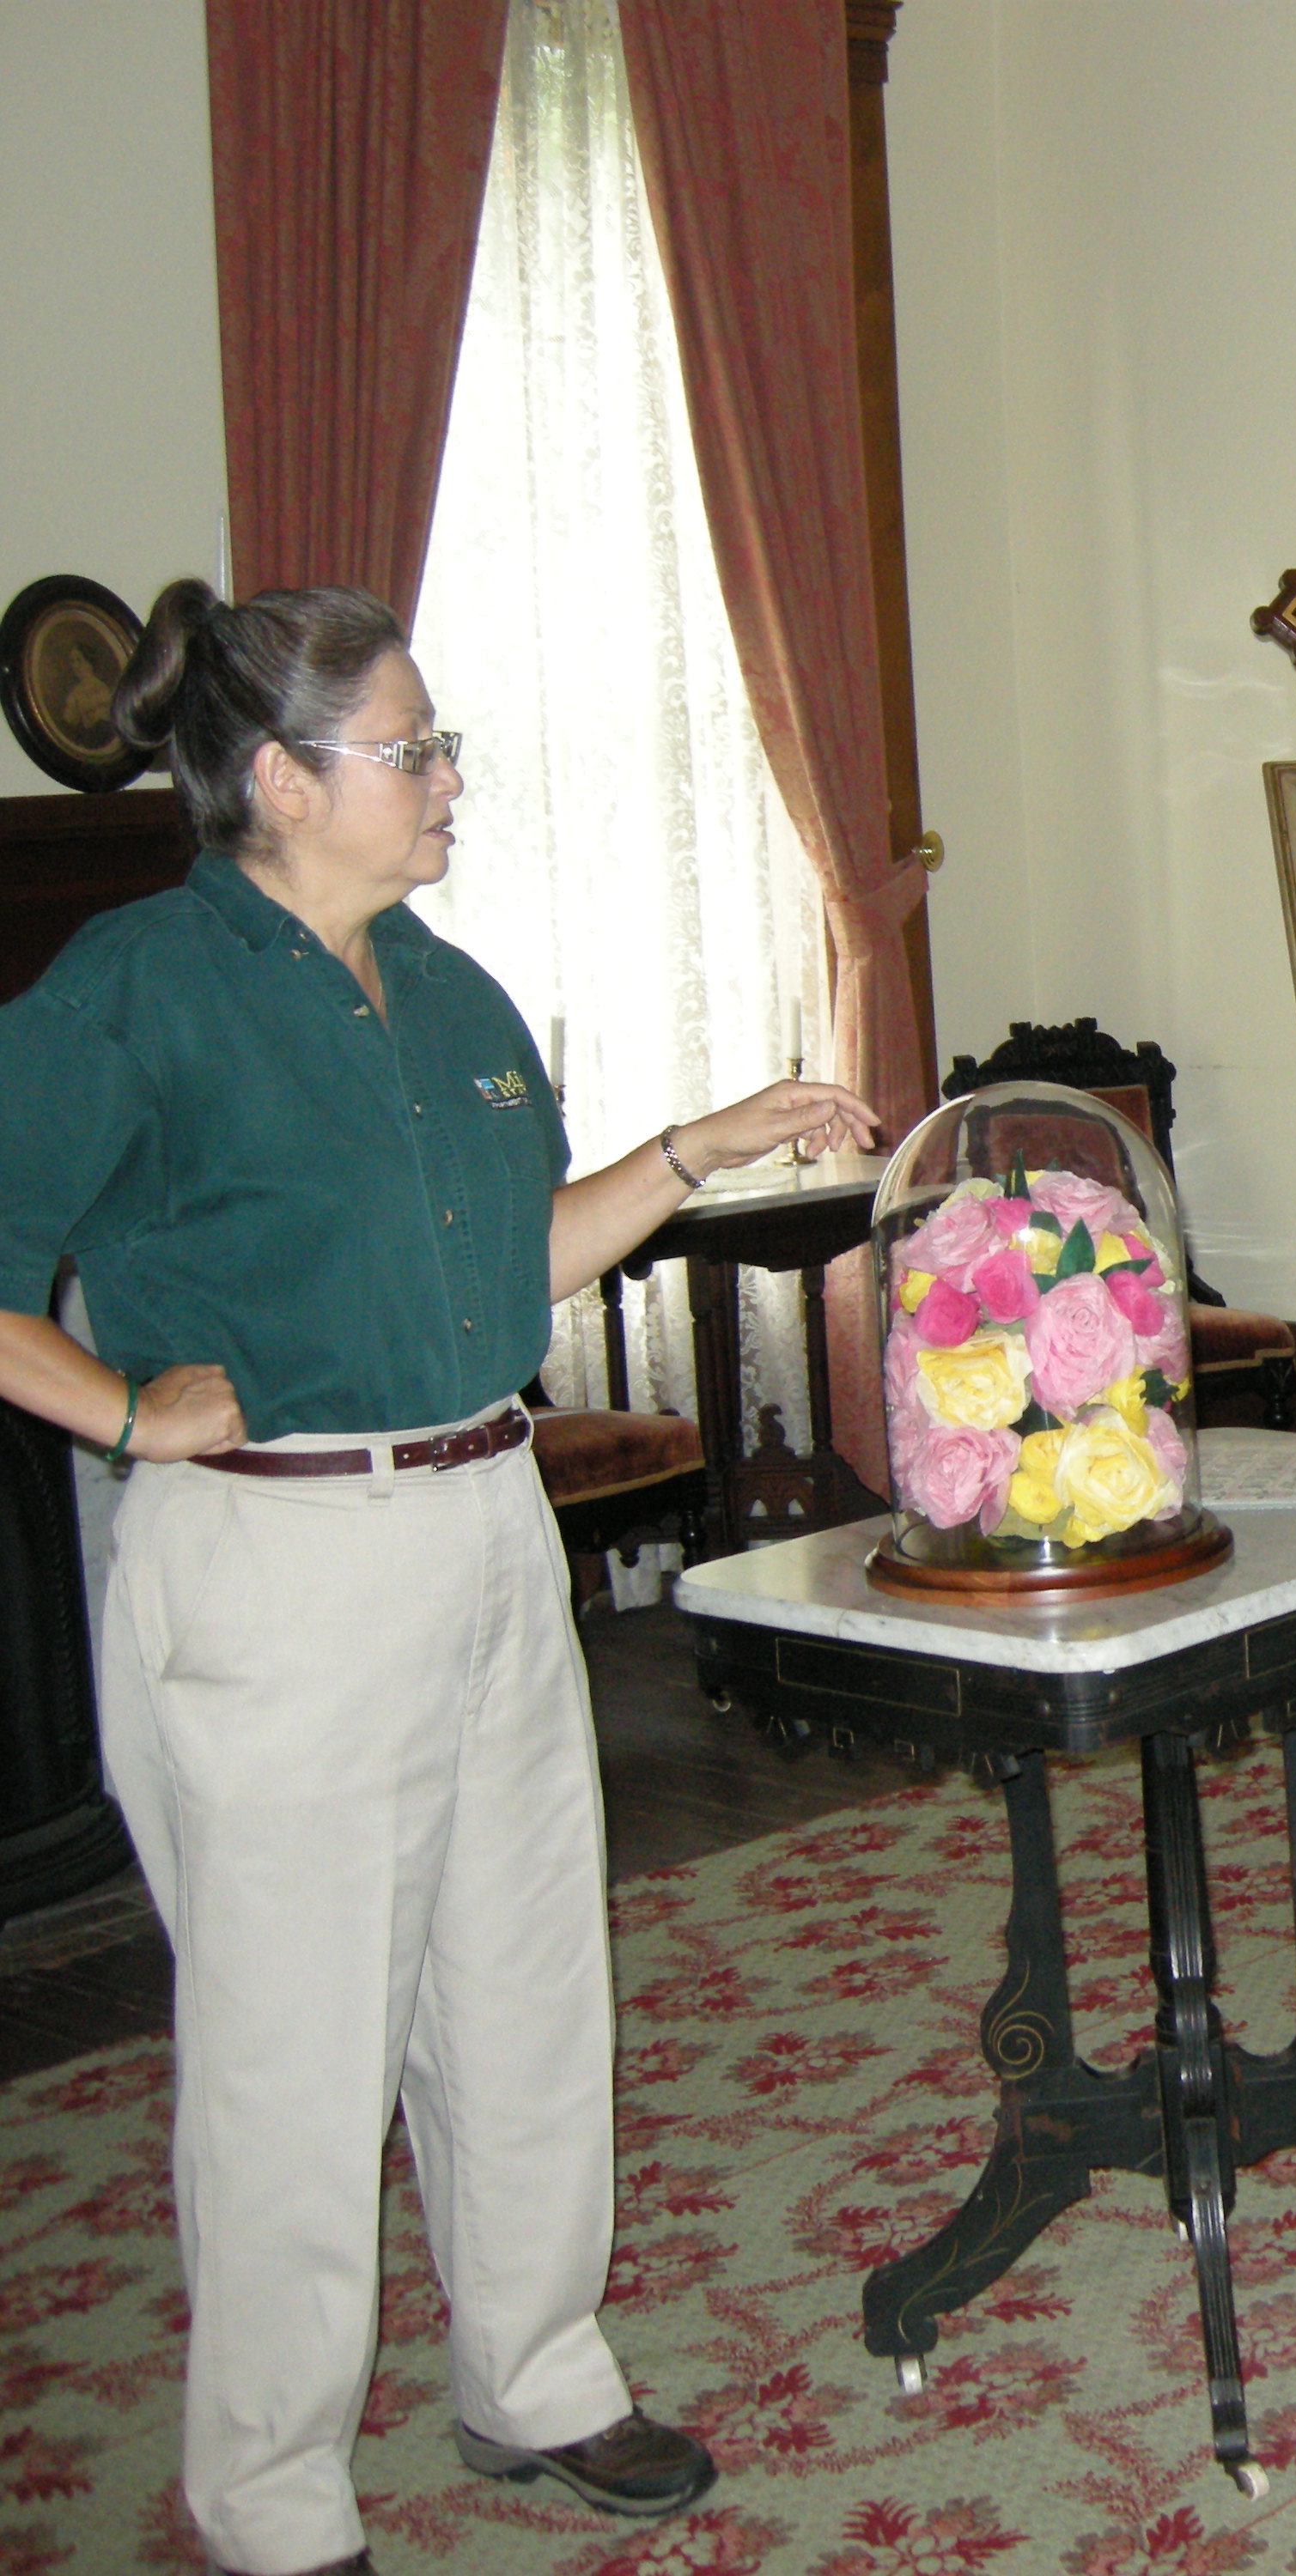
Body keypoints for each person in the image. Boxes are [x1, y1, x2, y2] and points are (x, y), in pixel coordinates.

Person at [0, 580, 878, 2576]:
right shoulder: (133, 990)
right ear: (279, 780)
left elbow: (511, 1268)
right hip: (279, 1557)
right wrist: (122, 1415)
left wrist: (692, 1144)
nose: (448, 776)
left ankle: (539, 2366)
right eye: (415, 747)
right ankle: (276, 2483)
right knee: (294, 2040)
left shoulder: (453, 990)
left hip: (488, 1516)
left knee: (521, 1981)